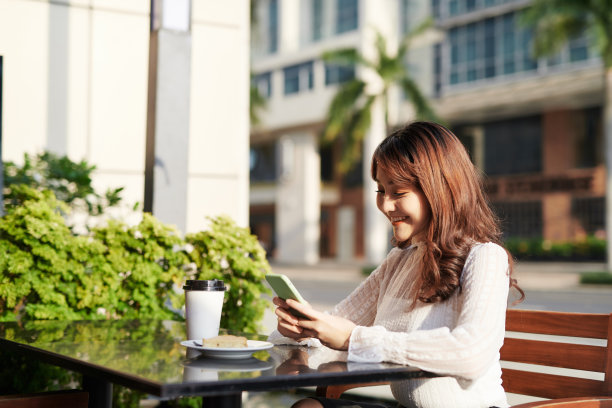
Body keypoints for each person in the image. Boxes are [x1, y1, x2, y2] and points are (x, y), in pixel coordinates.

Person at [269, 121, 524, 408]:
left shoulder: (485, 257)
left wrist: (353, 339)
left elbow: (470, 354)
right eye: (380, 191)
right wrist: (302, 330)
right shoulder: (398, 262)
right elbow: (337, 324)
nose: (386, 205)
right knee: (308, 407)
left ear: (440, 191)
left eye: (398, 192)